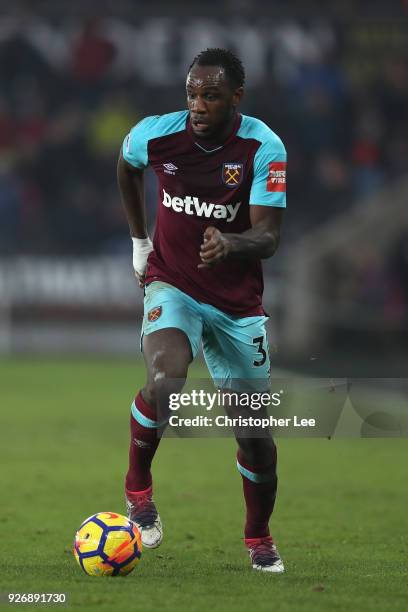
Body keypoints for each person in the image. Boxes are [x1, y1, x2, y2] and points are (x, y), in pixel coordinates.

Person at [117, 48, 286, 573]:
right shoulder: (156, 134)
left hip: (236, 306)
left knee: (255, 438)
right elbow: (126, 166)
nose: (197, 105)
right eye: (192, 93)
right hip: (174, 284)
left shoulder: (263, 146)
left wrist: (232, 245)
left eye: (210, 95)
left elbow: (269, 237)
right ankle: (138, 490)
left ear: (236, 97)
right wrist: (140, 243)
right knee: (166, 379)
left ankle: (258, 537)